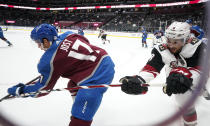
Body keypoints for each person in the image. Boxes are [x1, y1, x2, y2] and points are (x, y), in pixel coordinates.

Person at [7, 24, 115, 126]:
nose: (38, 46)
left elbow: (43, 89)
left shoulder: (48, 61)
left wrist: (21, 91)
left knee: (79, 119)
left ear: (45, 41)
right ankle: (80, 103)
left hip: (99, 75)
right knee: (72, 85)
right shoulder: (68, 34)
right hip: (103, 57)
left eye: (38, 42)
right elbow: (84, 40)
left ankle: (80, 111)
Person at [119, 22, 206, 126]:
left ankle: (203, 90)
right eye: (169, 40)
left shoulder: (198, 47)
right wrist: (141, 79)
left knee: (191, 91)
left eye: (176, 42)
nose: (171, 45)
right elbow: (152, 67)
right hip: (175, 75)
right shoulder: (161, 49)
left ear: (186, 39)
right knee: (182, 97)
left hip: (196, 74)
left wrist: (186, 77)